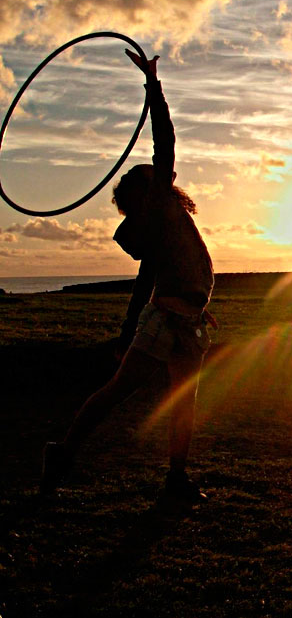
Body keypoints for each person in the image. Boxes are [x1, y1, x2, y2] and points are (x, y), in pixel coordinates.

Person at [41, 50, 215, 503]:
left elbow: (150, 275)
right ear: (145, 192)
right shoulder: (157, 208)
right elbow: (165, 138)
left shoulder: (168, 211)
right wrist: (153, 88)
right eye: (151, 176)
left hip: (189, 320)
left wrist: (197, 307)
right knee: (120, 391)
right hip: (166, 320)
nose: (159, 173)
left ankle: (175, 479)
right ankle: (62, 451)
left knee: (184, 401)